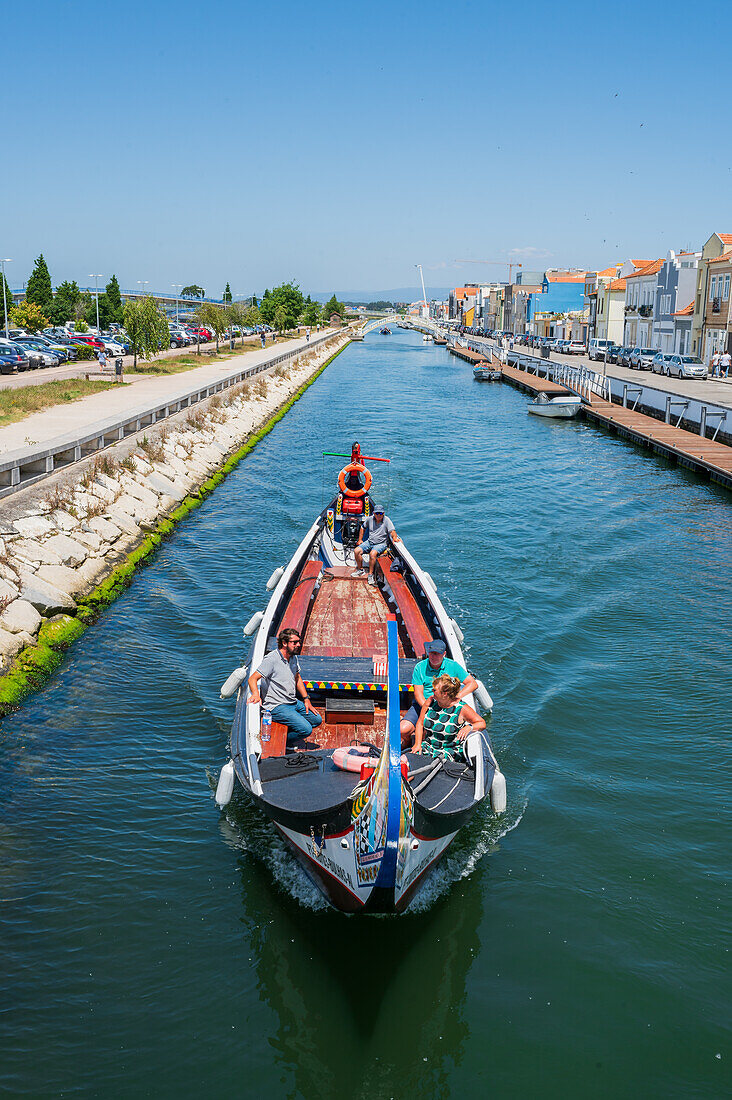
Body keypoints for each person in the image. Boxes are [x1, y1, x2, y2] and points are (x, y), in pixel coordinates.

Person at [247, 627, 322, 742]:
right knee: (306, 730)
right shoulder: (271, 659)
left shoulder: (293, 657)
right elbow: (253, 678)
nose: (298, 645)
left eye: (299, 642)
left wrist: (306, 699)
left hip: (292, 701)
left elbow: (297, 677)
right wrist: (256, 695)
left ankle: (289, 731)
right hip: (277, 706)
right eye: (294, 642)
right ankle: (281, 740)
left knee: (317, 720)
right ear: (284, 643)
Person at [400, 638, 477, 747]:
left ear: (444, 654)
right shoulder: (420, 667)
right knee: (403, 729)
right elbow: (418, 694)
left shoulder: (453, 666)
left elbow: (472, 683)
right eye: (432, 653)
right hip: (424, 705)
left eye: (438, 654)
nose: (434, 657)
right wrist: (429, 709)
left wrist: (456, 696)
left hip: (447, 706)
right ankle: (408, 741)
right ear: (428, 652)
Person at [413, 674, 485, 759]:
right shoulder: (430, 701)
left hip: (449, 752)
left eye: (434, 690)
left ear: (444, 694)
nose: (432, 691)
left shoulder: (461, 708)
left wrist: (469, 727)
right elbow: (420, 724)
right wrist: (417, 744)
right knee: (404, 760)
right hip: (428, 747)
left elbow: (482, 723)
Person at [352, 507, 400, 586]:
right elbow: (362, 528)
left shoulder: (387, 520)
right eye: (376, 513)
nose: (378, 515)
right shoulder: (369, 519)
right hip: (370, 542)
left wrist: (394, 537)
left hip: (381, 543)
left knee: (372, 554)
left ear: (383, 513)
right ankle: (360, 570)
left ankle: (370, 575)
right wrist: (360, 539)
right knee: (356, 551)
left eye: (380, 513)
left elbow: (392, 531)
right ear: (373, 513)